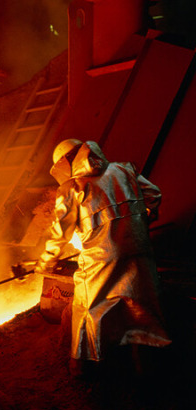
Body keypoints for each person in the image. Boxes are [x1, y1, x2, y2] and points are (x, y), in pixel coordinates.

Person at [35, 139, 171, 371]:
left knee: (86, 307)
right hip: (139, 251)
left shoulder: (72, 188)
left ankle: (84, 366)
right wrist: (144, 219)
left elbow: (60, 234)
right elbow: (154, 195)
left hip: (101, 259)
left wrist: (46, 261)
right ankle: (148, 362)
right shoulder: (125, 170)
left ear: (66, 162)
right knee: (141, 302)